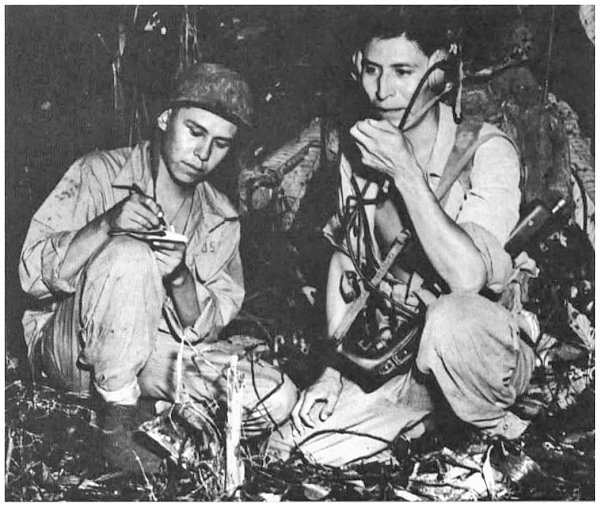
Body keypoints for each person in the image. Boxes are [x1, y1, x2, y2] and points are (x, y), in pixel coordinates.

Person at [268, 8, 536, 466]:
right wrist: (333, 373)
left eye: (403, 72)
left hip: (481, 353)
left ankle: (493, 437)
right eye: (372, 70)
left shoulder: (486, 151)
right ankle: (430, 426)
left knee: (452, 320)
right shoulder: (361, 154)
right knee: (303, 448)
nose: (382, 90)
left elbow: (468, 278)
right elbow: (347, 265)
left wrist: (407, 173)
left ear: (440, 70)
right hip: (402, 355)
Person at [19, 62, 297, 472]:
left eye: (221, 143)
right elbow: (30, 277)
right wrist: (106, 225)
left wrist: (180, 277)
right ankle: (119, 423)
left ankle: (167, 419)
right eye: (195, 131)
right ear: (166, 118)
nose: (203, 154)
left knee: (275, 395)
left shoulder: (220, 217)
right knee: (131, 253)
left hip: (152, 354)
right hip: (71, 350)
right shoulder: (99, 173)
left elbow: (205, 330)